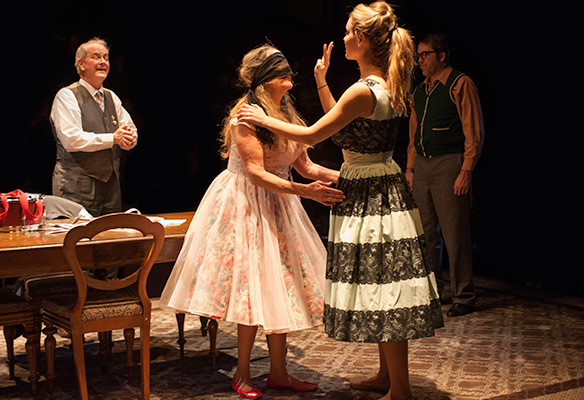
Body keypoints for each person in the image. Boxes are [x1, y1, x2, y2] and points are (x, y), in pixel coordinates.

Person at [238, 3, 443, 399]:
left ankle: (399, 389)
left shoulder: (362, 89)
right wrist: (321, 80)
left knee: (386, 289)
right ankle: (386, 376)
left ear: (362, 39)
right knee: (381, 284)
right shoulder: (383, 84)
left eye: (349, 31)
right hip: (379, 183)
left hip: (372, 191)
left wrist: (262, 118)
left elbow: (314, 135)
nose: (344, 36)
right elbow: (344, 125)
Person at [159, 44, 345, 399]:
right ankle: (242, 373)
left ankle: (278, 372)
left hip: (281, 203)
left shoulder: (285, 114)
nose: (288, 73)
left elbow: (305, 166)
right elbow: (256, 174)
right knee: (252, 286)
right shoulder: (246, 116)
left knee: (284, 287)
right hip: (247, 204)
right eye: (279, 69)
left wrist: (348, 176)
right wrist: (306, 193)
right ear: (264, 77)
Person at [405, 33, 485, 318]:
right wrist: (410, 168)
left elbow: (472, 130)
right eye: (418, 56)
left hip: (450, 164)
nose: (420, 61)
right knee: (425, 233)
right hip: (424, 166)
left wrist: (466, 170)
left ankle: (463, 295)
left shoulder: (459, 84)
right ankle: (431, 290)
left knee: (455, 233)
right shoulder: (419, 91)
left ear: (441, 55)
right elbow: (414, 134)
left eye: (424, 55)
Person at [50, 37, 137, 217]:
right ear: (81, 64)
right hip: (76, 187)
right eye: (96, 57)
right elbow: (71, 139)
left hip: (111, 187)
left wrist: (129, 139)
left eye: (106, 57)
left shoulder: (111, 96)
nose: (103, 62)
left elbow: (130, 129)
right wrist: (113, 138)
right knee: (77, 241)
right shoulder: (67, 96)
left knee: (111, 239)